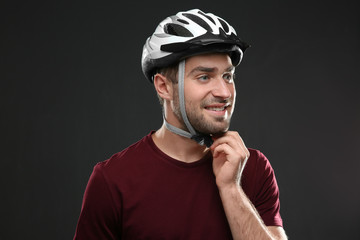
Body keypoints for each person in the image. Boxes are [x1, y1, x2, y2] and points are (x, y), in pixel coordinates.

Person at [74, 9, 287, 240]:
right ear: (164, 87)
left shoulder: (253, 167)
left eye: (228, 76)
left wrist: (231, 189)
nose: (224, 92)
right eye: (204, 77)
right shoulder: (112, 180)